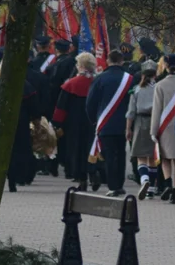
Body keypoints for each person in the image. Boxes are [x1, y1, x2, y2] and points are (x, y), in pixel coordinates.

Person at [0, 59, 39, 193]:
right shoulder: (25, 86)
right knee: (18, 153)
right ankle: (17, 178)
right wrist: (36, 122)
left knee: (0, 154)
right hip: (20, 125)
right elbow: (34, 109)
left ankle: (5, 179)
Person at [86, 50, 134, 197]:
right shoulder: (130, 79)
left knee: (110, 155)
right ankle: (119, 184)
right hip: (125, 124)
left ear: (107, 61)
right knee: (121, 155)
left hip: (105, 124)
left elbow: (90, 103)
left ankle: (113, 186)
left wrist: (94, 120)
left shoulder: (100, 79)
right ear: (121, 61)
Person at [53, 53, 98, 190]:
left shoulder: (70, 84)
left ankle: (82, 179)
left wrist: (57, 123)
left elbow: (61, 106)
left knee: (77, 149)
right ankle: (93, 171)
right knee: (92, 148)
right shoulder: (97, 82)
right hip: (93, 121)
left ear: (81, 66)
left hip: (74, 122)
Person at [151, 53, 175, 203]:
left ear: (165, 66)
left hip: (164, 127)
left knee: (165, 159)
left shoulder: (159, 85)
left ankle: (167, 183)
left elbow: (156, 110)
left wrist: (153, 132)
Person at [126, 60, 159, 199]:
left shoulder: (136, 89)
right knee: (152, 156)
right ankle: (151, 188)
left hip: (140, 122)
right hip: (156, 122)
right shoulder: (158, 88)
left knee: (141, 156)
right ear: (155, 73)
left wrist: (128, 128)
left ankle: (144, 179)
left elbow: (131, 111)